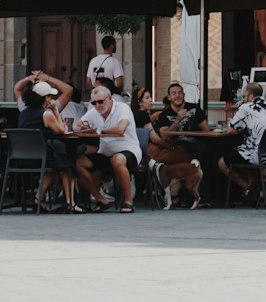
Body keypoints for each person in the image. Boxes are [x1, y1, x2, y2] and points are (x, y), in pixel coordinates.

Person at [16, 74, 81, 212]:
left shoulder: (23, 113)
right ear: (44, 98)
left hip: (21, 158)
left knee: (54, 166)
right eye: (50, 97)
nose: (51, 99)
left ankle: (38, 198)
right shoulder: (46, 114)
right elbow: (61, 130)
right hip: (41, 156)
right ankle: (71, 203)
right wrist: (55, 110)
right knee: (68, 165)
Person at [74, 84, 142, 213]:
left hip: (128, 150)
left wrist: (99, 130)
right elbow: (75, 125)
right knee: (78, 162)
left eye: (100, 101)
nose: (97, 105)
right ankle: (100, 198)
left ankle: (128, 201)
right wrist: (82, 127)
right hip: (105, 152)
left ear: (109, 98)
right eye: (94, 103)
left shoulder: (123, 108)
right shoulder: (95, 111)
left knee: (117, 160)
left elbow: (121, 129)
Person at [149, 83, 210, 209]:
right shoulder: (165, 115)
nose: (177, 96)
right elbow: (165, 136)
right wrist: (177, 120)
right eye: (174, 93)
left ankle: (201, 197)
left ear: (184, 95)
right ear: (169, 97)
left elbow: (206, 130)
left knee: (207, 152)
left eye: (180, 93)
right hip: (176, 146)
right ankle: (184, 197)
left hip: (195, 143)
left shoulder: (194, 109)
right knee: (189, 153)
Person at [219, 83, 266, 196]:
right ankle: (252, 188)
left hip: (258, 155)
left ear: (250, 96)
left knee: (222, 163)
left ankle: (248, 188)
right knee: (242, 154)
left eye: (243, 97)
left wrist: (240, 107)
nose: (242, 99)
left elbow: (230, 128)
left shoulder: (246, 107)